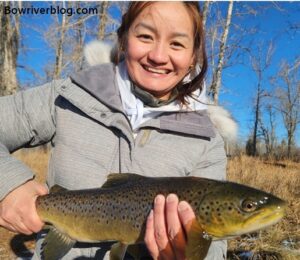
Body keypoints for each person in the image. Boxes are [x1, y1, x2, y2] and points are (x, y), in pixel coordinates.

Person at [0, 2, 235, 259]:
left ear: (193, 56)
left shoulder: (206, 140)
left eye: (177, 43)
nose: (158, 55)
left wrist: (193, 255)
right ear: (123, 39)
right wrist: (9, 183)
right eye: (145, 36)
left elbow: (215, 245)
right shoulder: (67, 95)